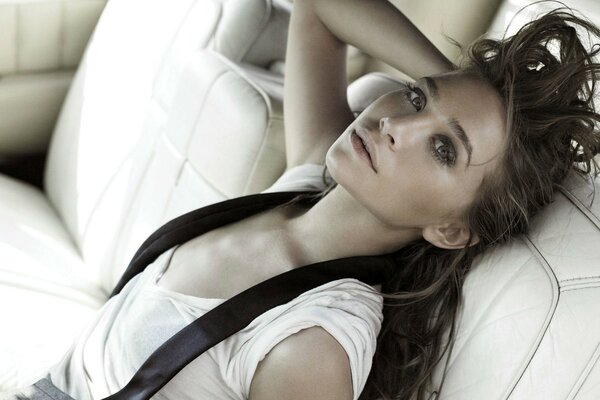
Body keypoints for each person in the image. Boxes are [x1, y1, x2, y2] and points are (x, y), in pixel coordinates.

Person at [6, 0, 600, 399]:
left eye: (444, 149)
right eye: (415, 99)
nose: (397, 123)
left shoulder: (314, 342)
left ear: (450, 229)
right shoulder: (308, 183)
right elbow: (320, 8)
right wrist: (465, 88)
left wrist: (458, 99)